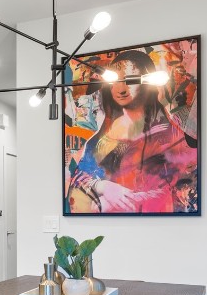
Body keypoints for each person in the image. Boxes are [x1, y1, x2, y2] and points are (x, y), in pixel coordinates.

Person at [65, 45, 198, 214]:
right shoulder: (105, 133)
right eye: (116, 82)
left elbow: (185, 177)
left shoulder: (171, 128)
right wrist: (102, 186)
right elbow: (79, 175)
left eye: (130, 80)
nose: (121, 89)